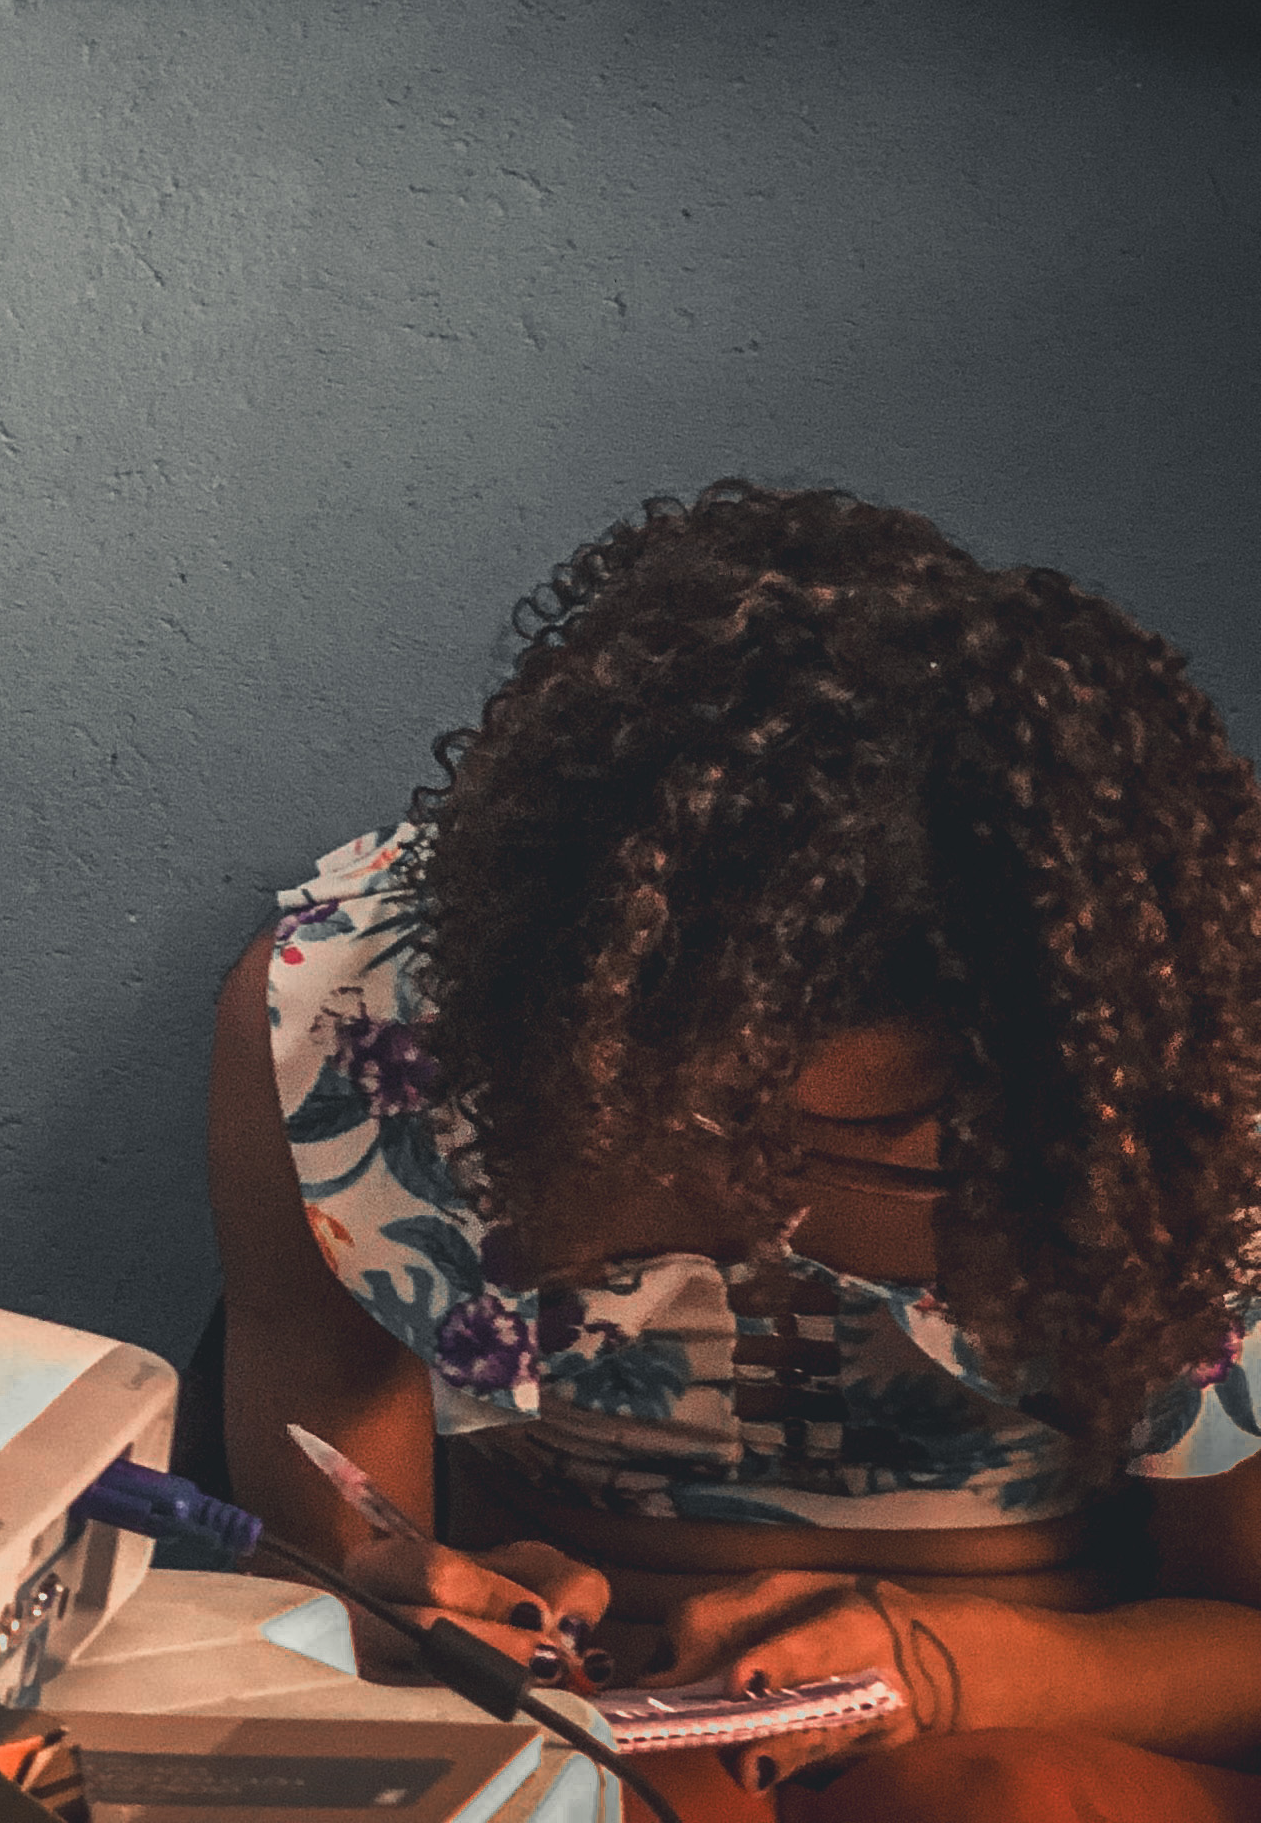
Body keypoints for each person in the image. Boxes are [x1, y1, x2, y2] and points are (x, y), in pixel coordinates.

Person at [212, 486, 1261, 1820]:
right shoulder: (372, 1028)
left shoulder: (1173, 1090)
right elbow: (322, 1582)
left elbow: (1243, 1650)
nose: (739, 1198)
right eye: (700, 1118)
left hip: (1054, 1697)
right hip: (607, 1710)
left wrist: (955, 1673)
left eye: (865, 1142)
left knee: (992, 1802)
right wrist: (388, 1608)